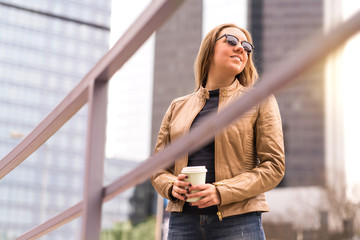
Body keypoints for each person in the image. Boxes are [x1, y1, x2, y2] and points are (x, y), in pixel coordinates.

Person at [151, 23, 285, 240]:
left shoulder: (260, 100)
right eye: (231, 40)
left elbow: (274, 167)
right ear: (209, 50)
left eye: (246, 46)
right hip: (183, 222)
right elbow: (158, 168)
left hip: (238, 221)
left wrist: (220, 191)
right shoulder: (177, 106)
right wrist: (171, 186)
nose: (241, 48)